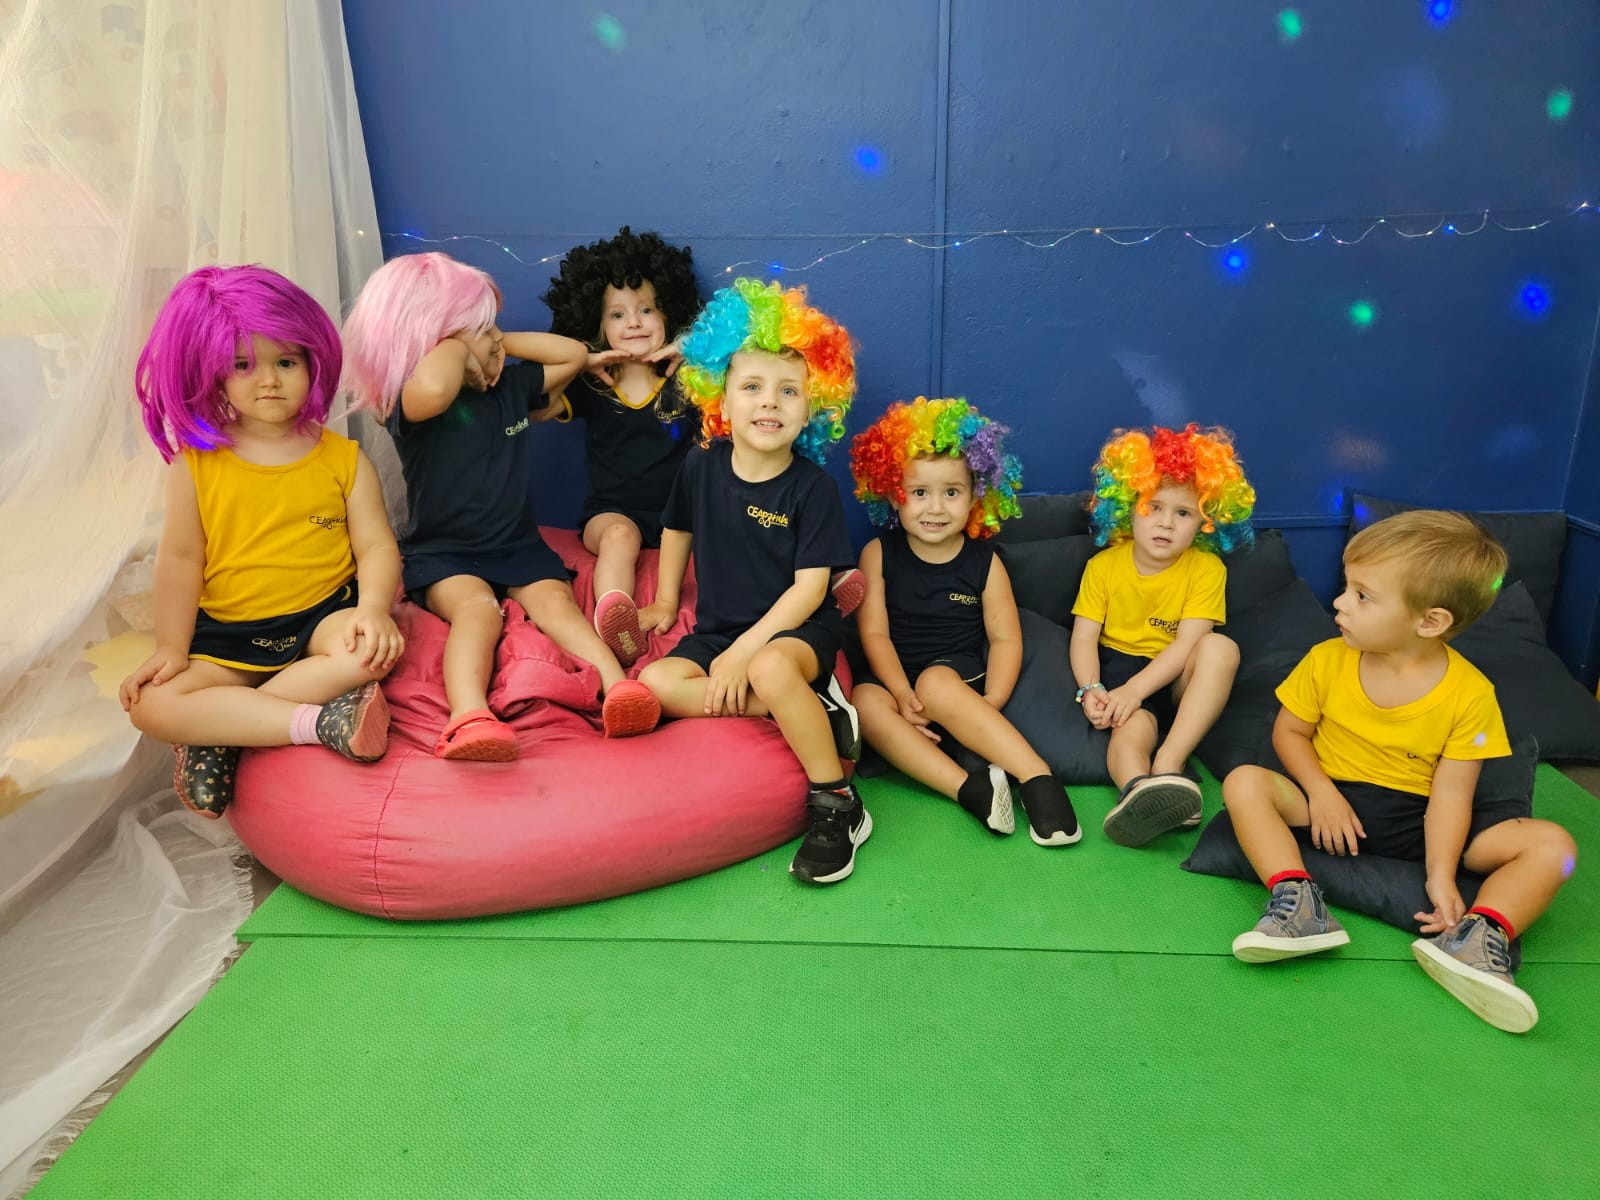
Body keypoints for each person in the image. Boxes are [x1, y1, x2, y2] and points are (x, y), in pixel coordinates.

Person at [1222, 511, 1577, 1033]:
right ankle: (1299, 906)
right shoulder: (1326, 659)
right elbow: (1288, 734)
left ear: (1429, 622)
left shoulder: (1471, 694)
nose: (1339, 602)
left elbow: (1452, 794)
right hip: (1328, 806)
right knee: (1243, 782)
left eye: (1363, 596)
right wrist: (1320, 793)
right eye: (1347, 587)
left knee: (1553, 846)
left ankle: (1478, 938)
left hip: (1421, 819)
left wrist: (1441, 874)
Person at [341, 252, 657, 759]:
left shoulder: (510, 388)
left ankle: (616, 685)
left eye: (493, 328)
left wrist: (494, 340)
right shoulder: (411, 402)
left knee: (557, 606)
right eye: (479, 329)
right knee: (479, 613)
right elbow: (437, 385)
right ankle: (469, 715)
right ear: (434, 342)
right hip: (446, 553)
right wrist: (458, 345)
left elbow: (573, 354)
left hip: (517, 545)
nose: (495, 340)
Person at [118, 265, 405, 817]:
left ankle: (222, 730)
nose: (268, 380)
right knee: (149, 705)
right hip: (229, 634)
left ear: (312, 363)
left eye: (286, 362)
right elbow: (180, 559)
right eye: (243, 365)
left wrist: (372, 609)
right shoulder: (196, 464)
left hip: (321, 618)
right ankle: (316, 722)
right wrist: (171, 648)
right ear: (215, 373)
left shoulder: (344, 458)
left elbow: (375, 547)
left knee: (370, 654)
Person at [637, 278, 865, 884]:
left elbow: (809, 591)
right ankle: (809, 711)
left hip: (796, 631)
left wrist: (744, 654)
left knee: (767, 666)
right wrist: (665, 600)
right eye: (753, 387)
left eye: (789, 391)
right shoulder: (700, 466)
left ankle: (838, 802)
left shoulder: (812, 487)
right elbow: (677, 528)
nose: (771, 403)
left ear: (813, 406)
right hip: (718, 630)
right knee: (657, 682)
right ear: (721, 397)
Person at [848, 396, 1079, 845]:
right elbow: (874, 633)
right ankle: (969, 789)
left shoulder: (984, 562)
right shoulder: (877, 554)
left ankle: (1037, 778)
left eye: (951, 493)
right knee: (864, 702)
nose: (936, 508)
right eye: (920, 493)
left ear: (975, 496)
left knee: (934, 682)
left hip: (954, 676)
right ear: (893, 494)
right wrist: (900, 692)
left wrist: (994, 698)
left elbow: (1005, 637)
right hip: (894, 678)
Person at [1070, 424, 1254, 846]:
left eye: (1183, 513)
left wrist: (1136, 691)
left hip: (1179, 676)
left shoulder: (1206, 569)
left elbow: (1188, 645)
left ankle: (1170, 766)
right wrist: (1091, 689)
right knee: (1129, 733)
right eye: (1153, 507)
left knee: (1220, 647)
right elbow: (1083, 639)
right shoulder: (1103, 567)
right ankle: (1139, 791)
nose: (1166, 523)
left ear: (1205, 522)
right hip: (1122, 669)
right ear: (1128, 508)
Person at [542, 227, 702, 666]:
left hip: (682, 516)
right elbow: (535, 404)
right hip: (611, 512)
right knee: (619, 537)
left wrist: (695, 346)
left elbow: (751, 344)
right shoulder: (593, 386)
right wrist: (578, 360)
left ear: (670, 313)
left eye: (647, 309)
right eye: (617, 314)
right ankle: (617, 617)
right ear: (596, 325)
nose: (633, 322)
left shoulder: (690, 381)